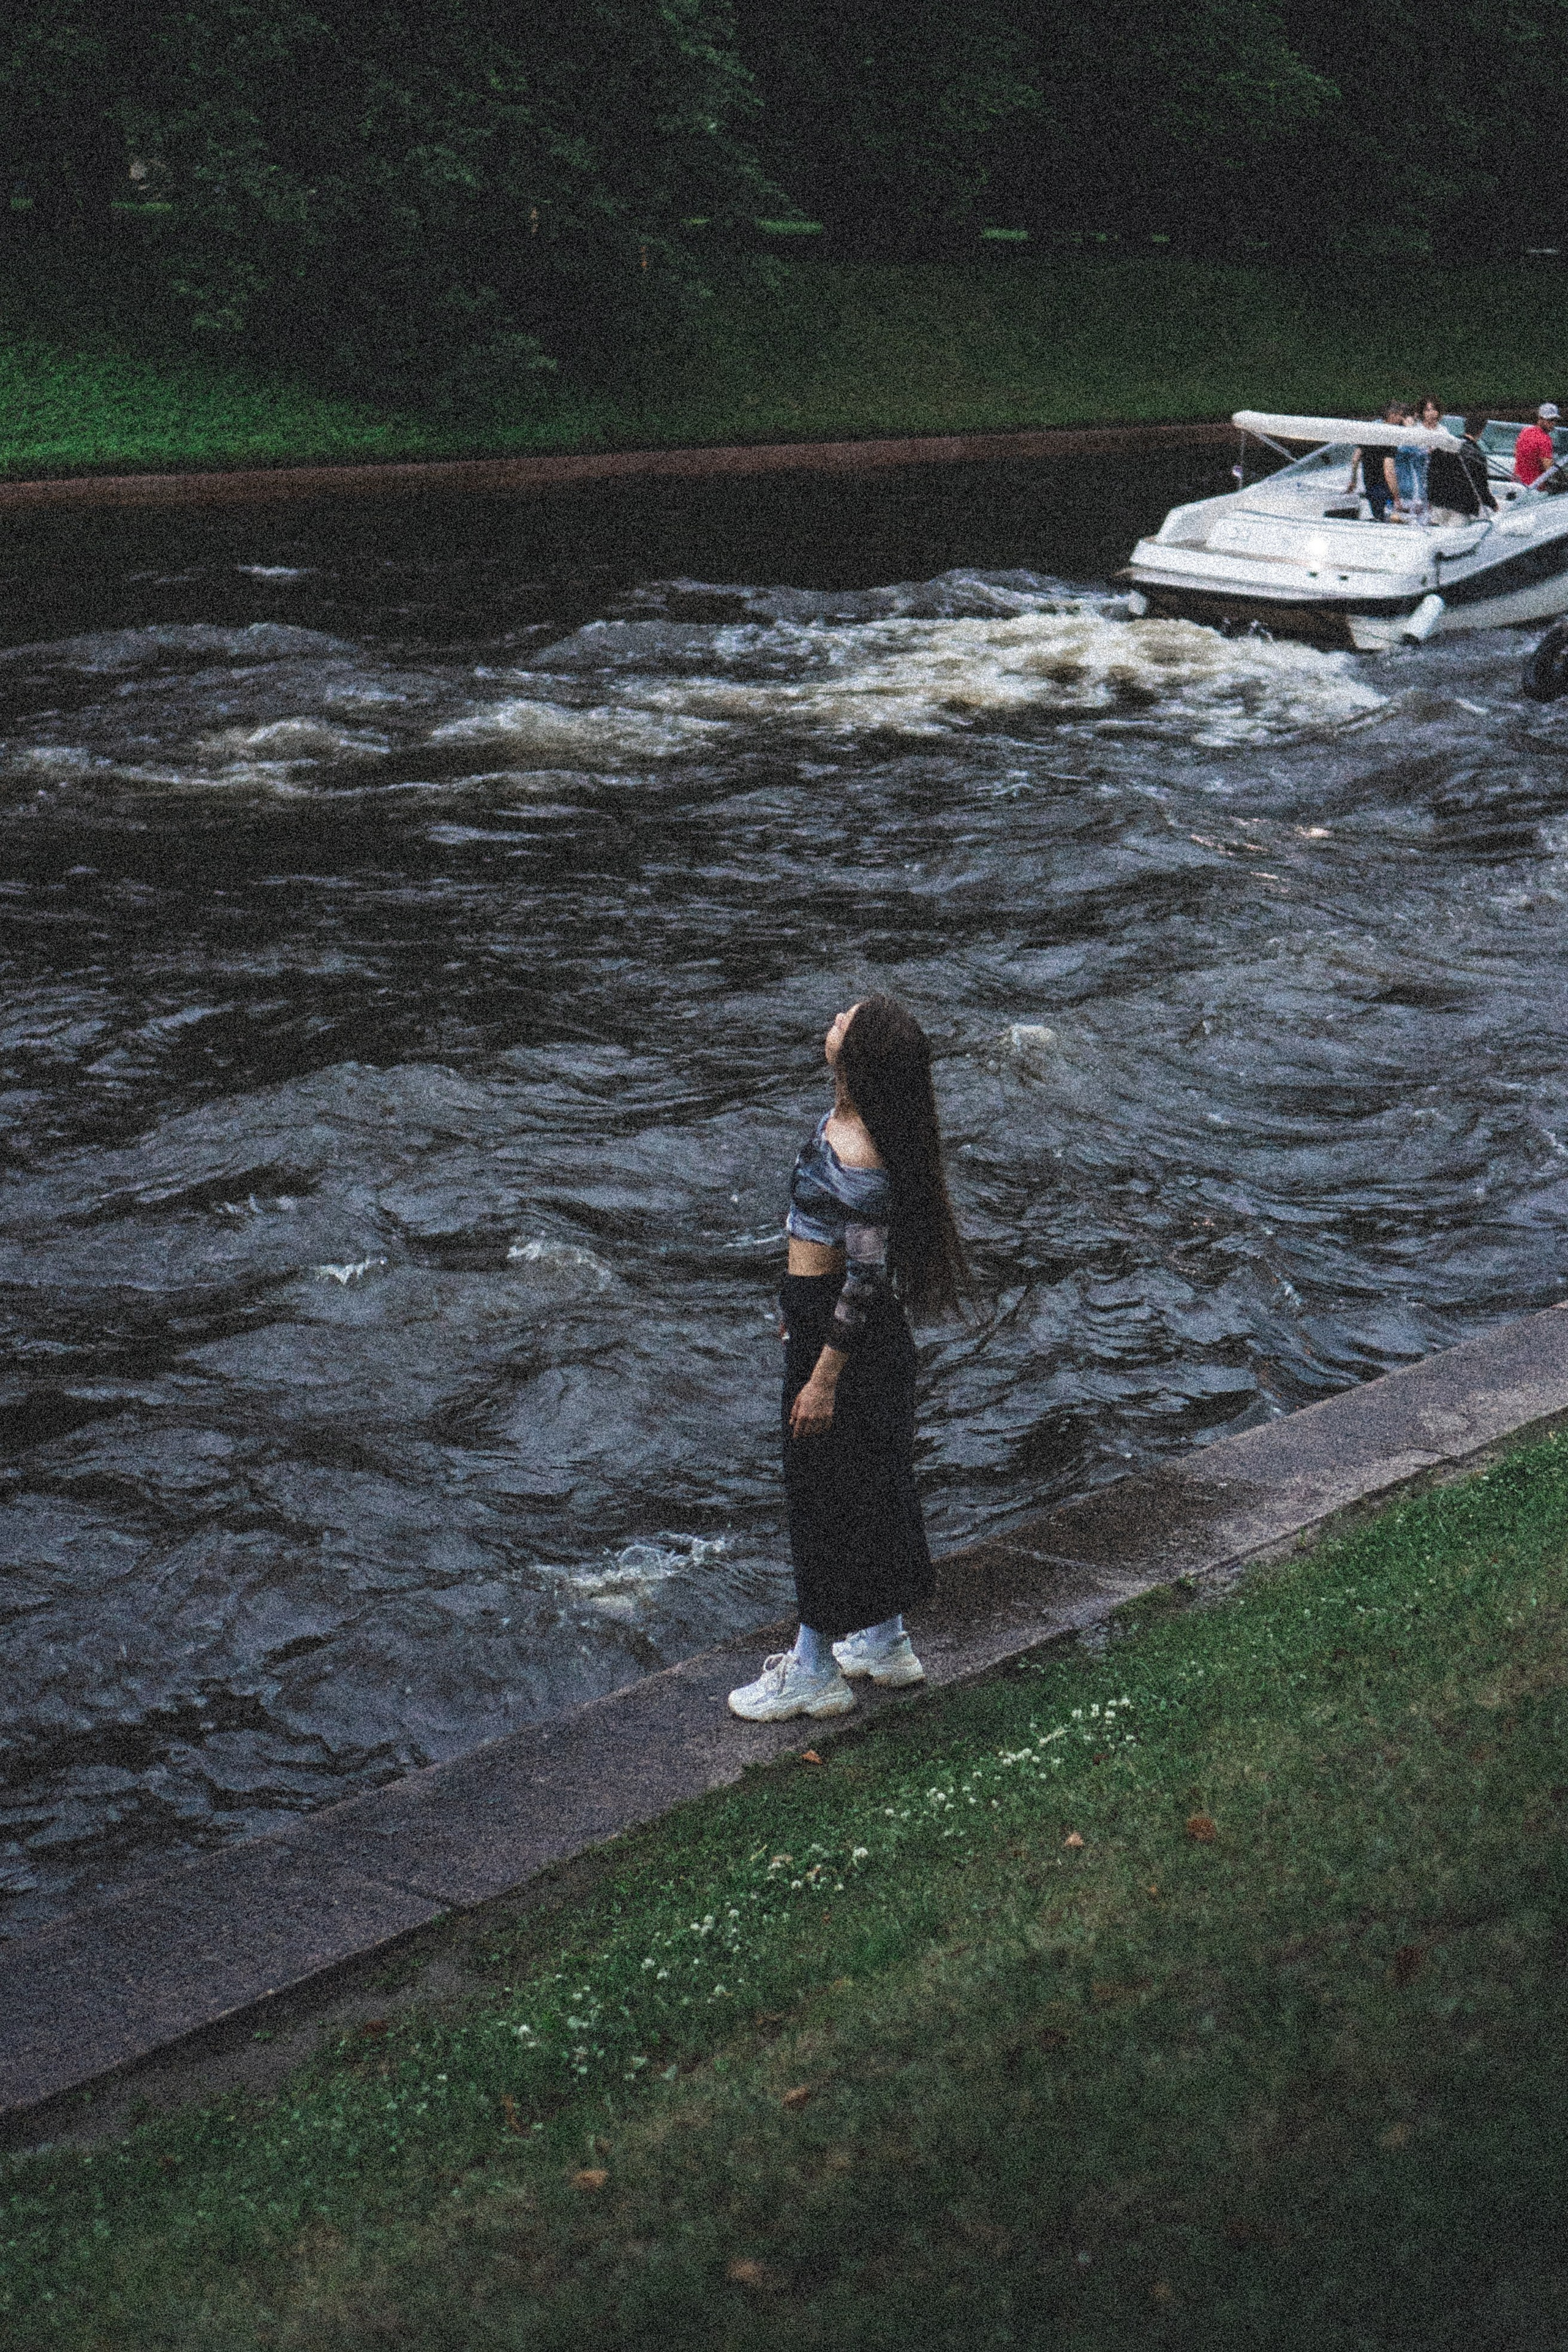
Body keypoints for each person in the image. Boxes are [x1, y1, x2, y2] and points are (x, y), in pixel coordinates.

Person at [729, 995, 967, 1723]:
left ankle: (811, 1670)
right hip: (830, 1321)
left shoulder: (861, 1150)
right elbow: (820, 1235)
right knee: (875, 1487)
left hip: (845, 1339)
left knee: (819, 1498)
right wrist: (789, 1313)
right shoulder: (852, 1123)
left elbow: (861, 1279)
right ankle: (886, 1643)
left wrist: (822, 1377)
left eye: (844, 1021)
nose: (831, 1022)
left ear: (858, 1054)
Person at [1427, 412, 1499, 523]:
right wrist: (1493, 504)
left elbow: (1431, 474)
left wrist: (1431, 498)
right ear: (1481, 431)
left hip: (1439, 503)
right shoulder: (1477, 454)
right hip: (1462, 507)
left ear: (1465, 426)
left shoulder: (1445, 447)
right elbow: (1481, 487)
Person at [1347, 402, 1407, 521]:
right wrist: (1396, 498)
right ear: (1392, 416)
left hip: (1369, 485)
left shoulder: (1370, 432)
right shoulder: (1390, 438)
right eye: (1400, 415)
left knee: (1378, 517)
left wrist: (1353, 481)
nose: (1401, 419)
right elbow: (1389, 470)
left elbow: (1355, 459)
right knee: (1392, 521)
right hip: (1384, 488)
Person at [1513, 402, 1561, 488]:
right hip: (1535, 488)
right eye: (1550, 420)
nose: (1553, 423)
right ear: (1540, 418)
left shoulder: (1525, 431)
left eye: (1555, 420)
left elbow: (1515, 453)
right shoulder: (1545, 440)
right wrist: (1562, 479)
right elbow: (1550, 469)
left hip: (1517, 484)